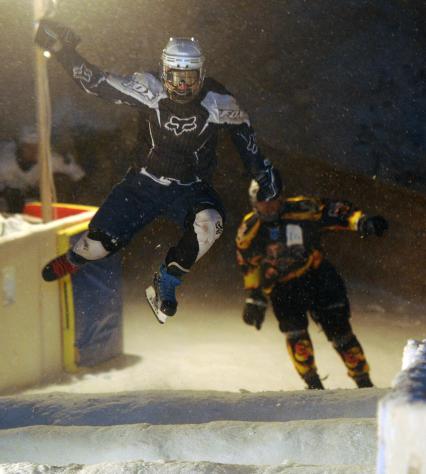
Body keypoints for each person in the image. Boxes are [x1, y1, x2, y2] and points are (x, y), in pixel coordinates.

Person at [34, 19, 280, 323]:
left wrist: (262, 170)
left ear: (202, 74)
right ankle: (75, 258)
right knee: (95, 247)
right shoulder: (148, 89)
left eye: (190, 78)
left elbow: (244, 134)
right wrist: (61, 50)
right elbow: (95, 83)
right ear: (165, 73)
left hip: (190, 188)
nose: (183, 86)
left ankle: (167, 279)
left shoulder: (219, 101)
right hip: (142, 184)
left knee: (210, 224)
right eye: (176, 77)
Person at [236, 170, 388, 389]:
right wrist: (254, 297)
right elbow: (248, 265)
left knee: (341, 333)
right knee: (296, 336)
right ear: (253, 203)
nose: (268, 208)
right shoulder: (248, 231)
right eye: (262, 203)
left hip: (317, 276)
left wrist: (361, 221)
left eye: (272, 201)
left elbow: (336, 211)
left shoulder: (302, 209)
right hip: (282, 287)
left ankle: (364, 383)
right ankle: (313, 386)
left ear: (281, 198)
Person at [0, 126, 85, 213]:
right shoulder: (4, 163)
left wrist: (73, 197)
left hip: (39, 197)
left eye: (37, 147)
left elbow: (79, 177)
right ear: (20, 147)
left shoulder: (52, 159)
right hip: (11, 199)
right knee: (12, 195)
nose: (33, 152)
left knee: (60, 180)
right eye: (28, 147)